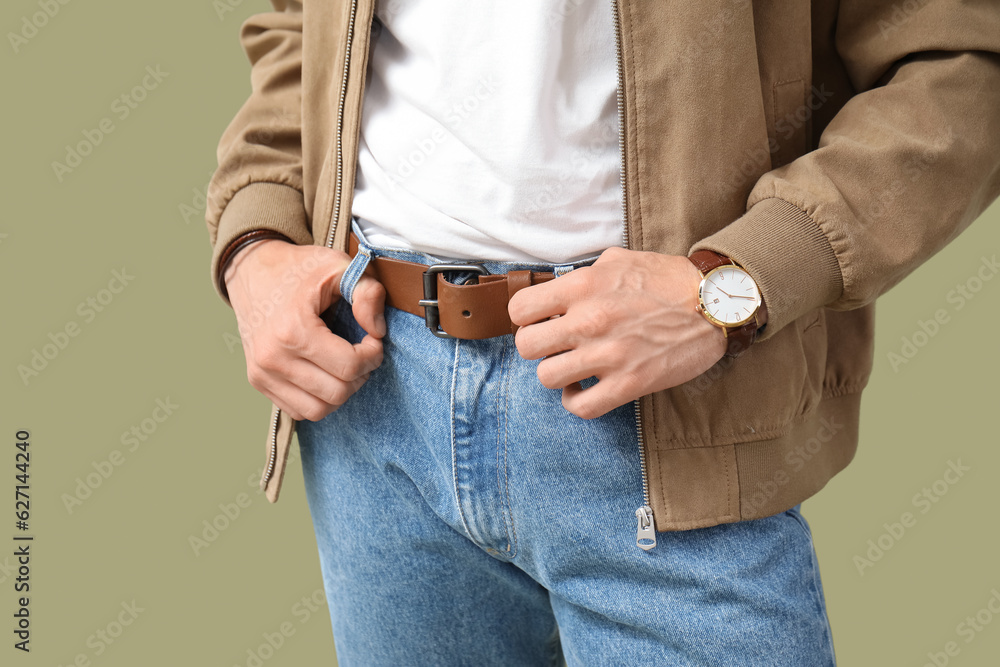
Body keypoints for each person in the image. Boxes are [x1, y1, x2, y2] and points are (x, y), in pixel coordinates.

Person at [205, 1, 1000, 664]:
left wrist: (731, 282)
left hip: (673, 418)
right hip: (373, 411)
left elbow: (965, 66)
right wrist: (255, 238)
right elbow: (300, 27)